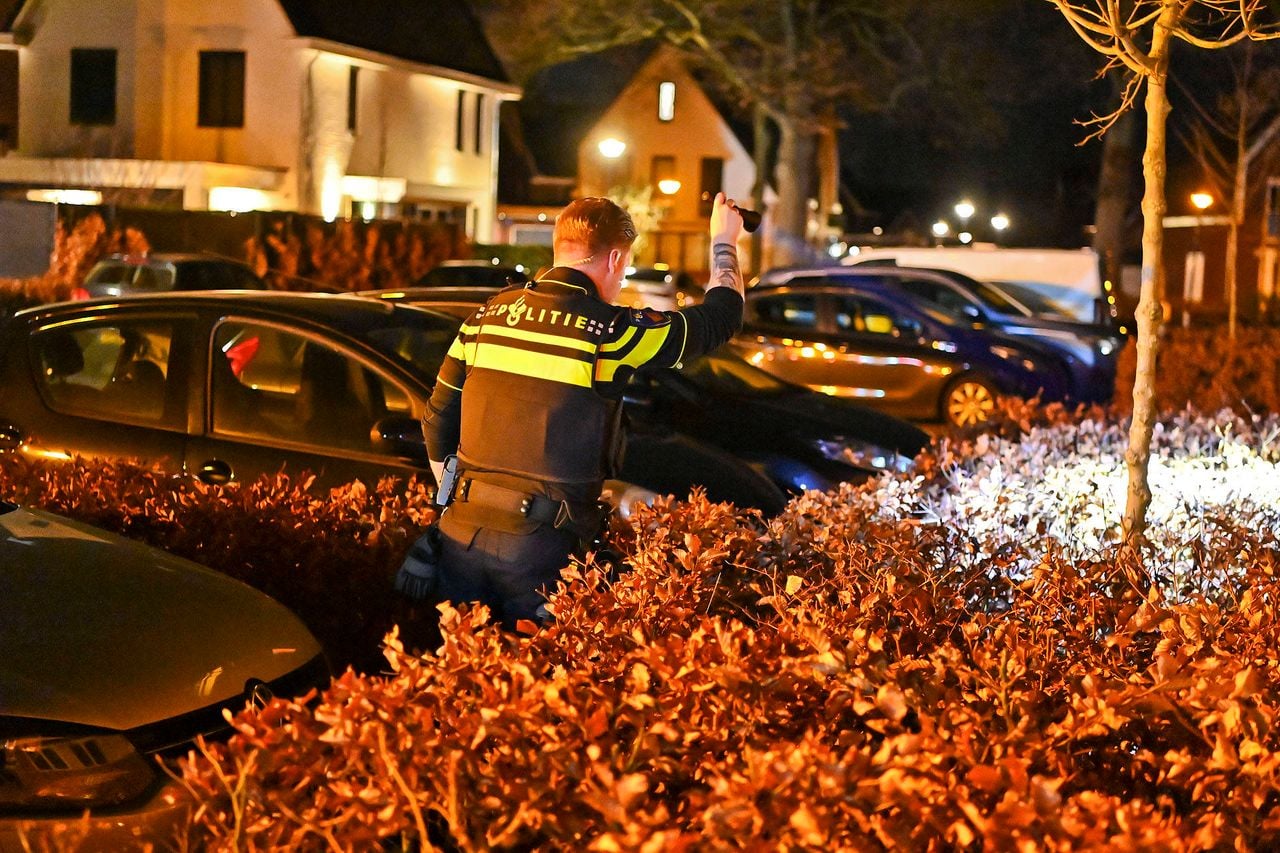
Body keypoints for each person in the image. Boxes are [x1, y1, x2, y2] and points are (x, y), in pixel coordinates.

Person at [420, 193, 746, 628]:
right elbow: (721, 318)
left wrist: (452, 499)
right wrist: (724, 240)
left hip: (461, 535)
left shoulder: (485, 317)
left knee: (459, 672)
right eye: (625, 266)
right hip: (542, 552)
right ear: (614, 259)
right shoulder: (611, 333)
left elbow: (439, 415)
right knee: (539, 682)